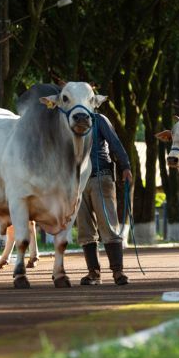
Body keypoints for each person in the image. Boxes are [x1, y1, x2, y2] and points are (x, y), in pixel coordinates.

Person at [76, 114, 133, 286]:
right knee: (85, 230)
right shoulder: (66, 121)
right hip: (77, 182)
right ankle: (93, 273)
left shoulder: (98, 119)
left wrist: (125, 166)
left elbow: (114, 142)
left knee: (108, 225)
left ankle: (118, 271)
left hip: (101, 178)